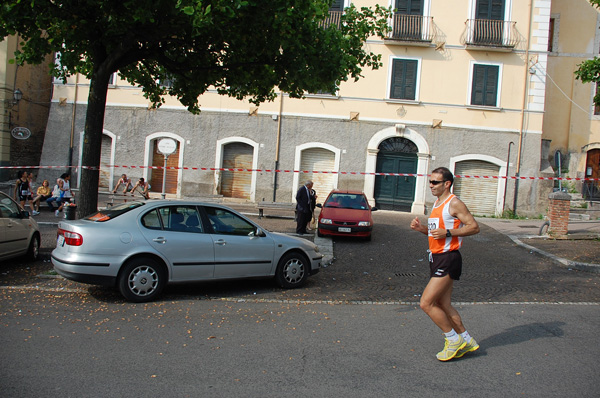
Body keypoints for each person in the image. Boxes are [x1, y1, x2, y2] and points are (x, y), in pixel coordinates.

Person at [409, 167, 480, 361]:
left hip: (448, 258)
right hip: (437, 257)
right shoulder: (437, 203)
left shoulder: (454, 203)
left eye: (435, 182)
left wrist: (449, 233)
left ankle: (453, 339)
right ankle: (467, 340)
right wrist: (421, 229)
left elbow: (474, 227)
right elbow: (436, 233)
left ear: (447, 184)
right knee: (443, 304)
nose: (430, 185)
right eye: (430, 181)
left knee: (426, 303)